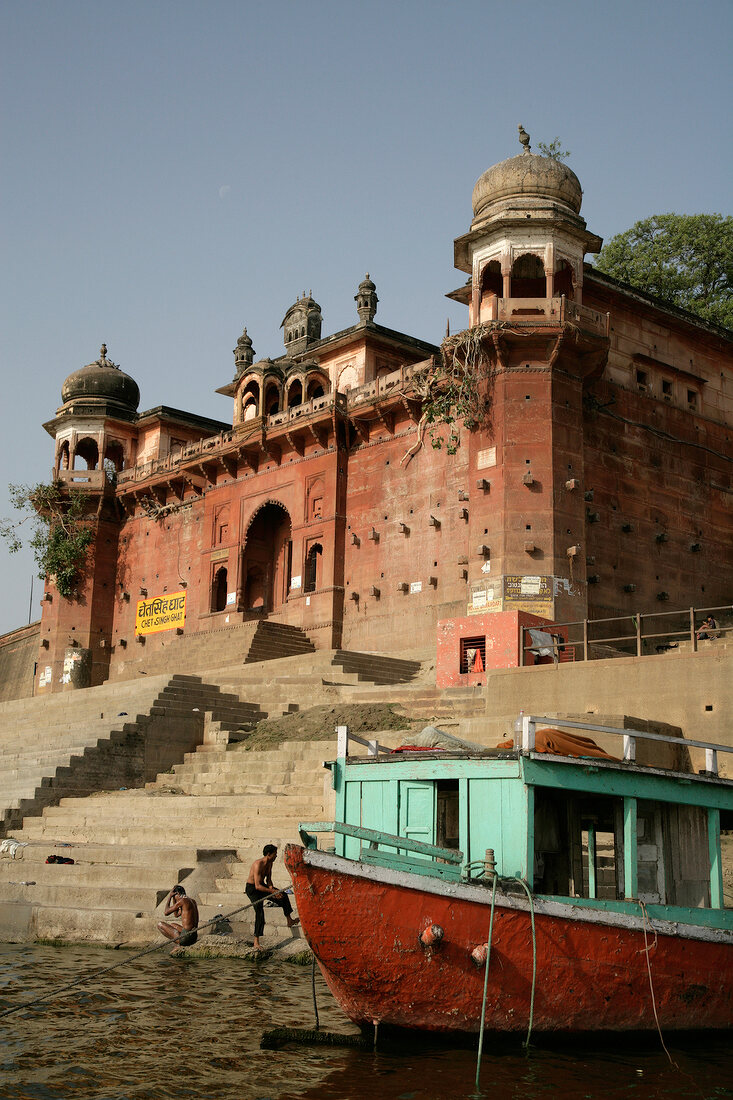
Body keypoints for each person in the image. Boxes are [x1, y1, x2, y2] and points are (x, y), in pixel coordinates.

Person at [245, 844, 299, 950]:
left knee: (283, 895)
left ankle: (289, 920)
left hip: (262, 886)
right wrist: (271, 891)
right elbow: (257, 885)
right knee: (259, 912)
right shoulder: (258, 864)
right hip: (253, 889)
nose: (276, 856)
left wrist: (274, 891)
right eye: (275, 854)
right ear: (269, 854)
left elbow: (268, 881)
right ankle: (256, 942)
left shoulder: (270, 863)